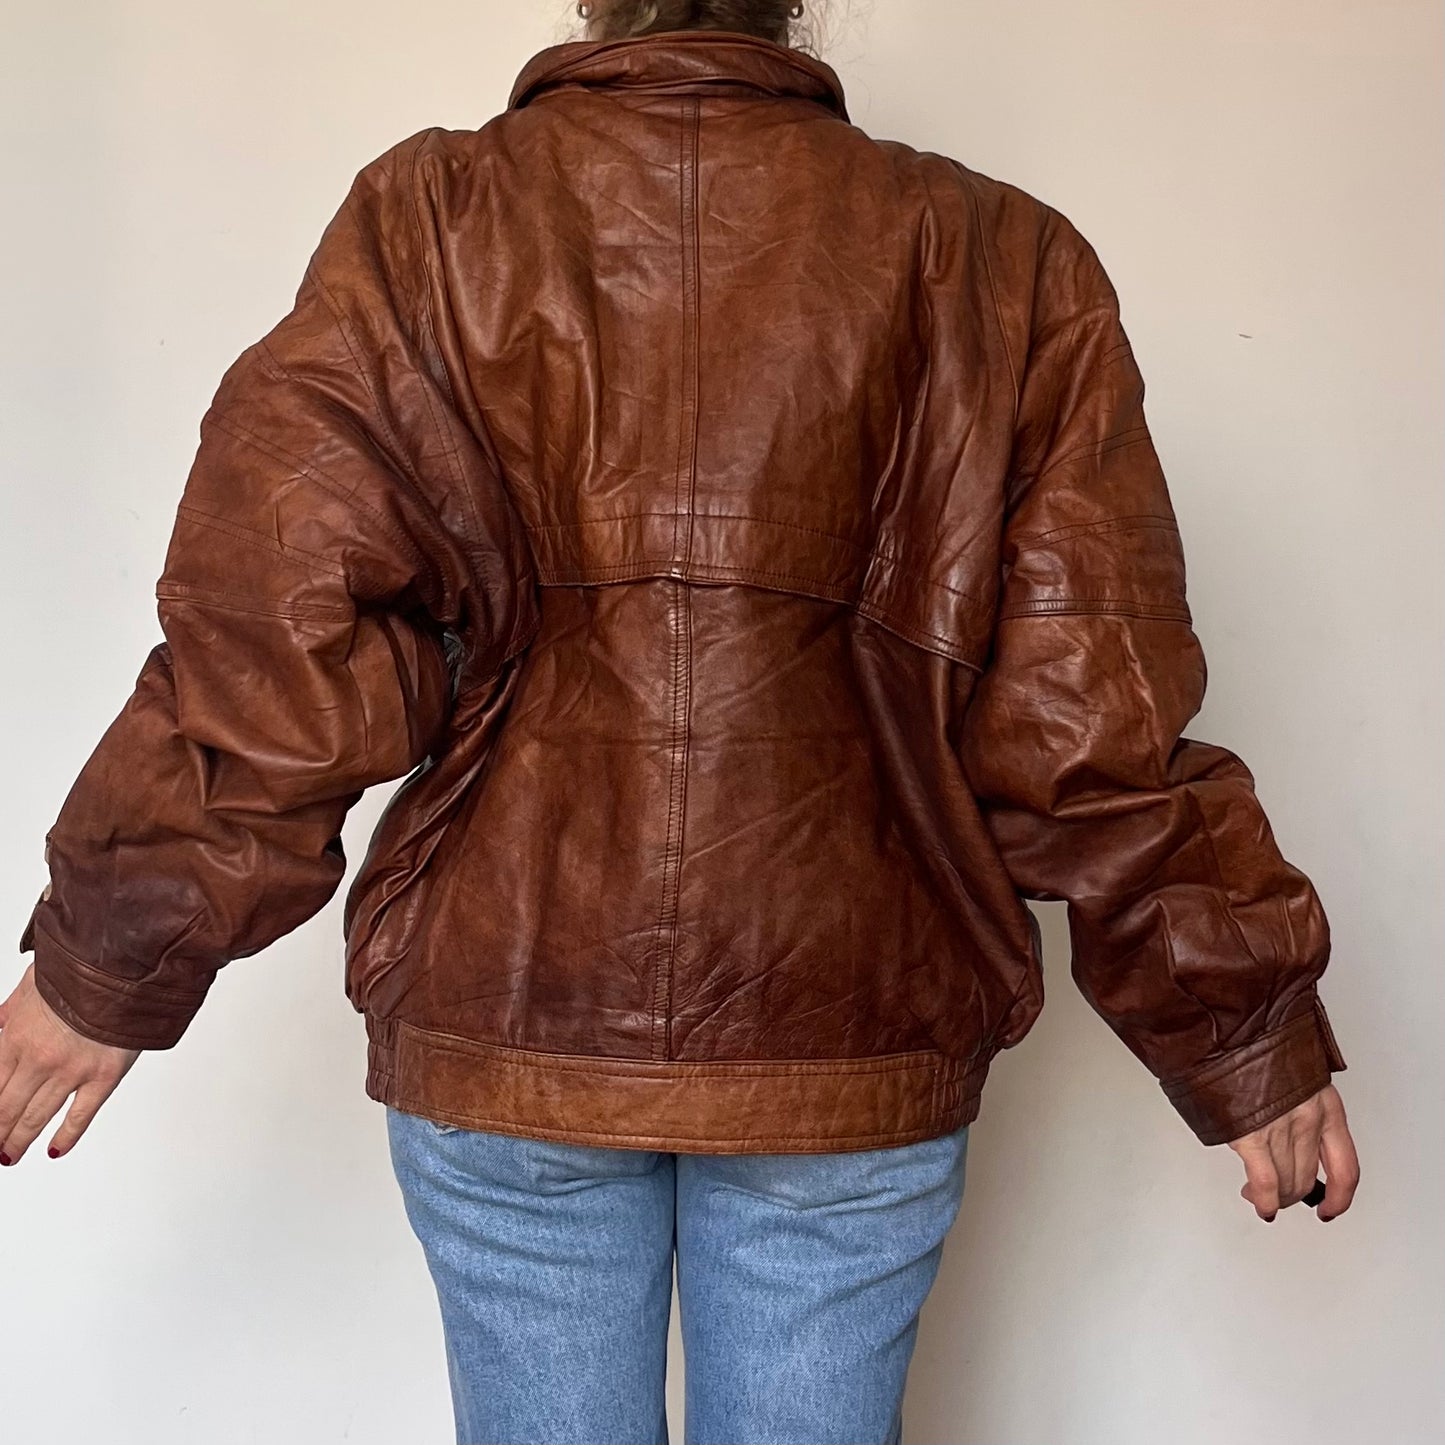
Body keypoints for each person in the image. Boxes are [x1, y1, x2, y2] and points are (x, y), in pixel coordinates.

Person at [1, 1, 1360, 1441]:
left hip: (506, 1002)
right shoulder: (998, 257)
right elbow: (1087, 710)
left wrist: (109, 956)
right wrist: (1243, 1032)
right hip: (851, 1016)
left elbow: (279, 635)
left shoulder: (433, 221)